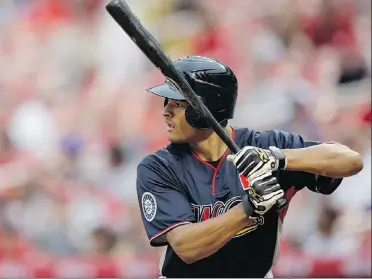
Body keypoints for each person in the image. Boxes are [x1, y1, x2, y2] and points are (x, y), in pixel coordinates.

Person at [135, 56, 363, 278]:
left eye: (177, 104)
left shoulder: (264, 145)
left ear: (207, 107)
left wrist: (276, 158)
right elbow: (187, 248)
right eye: (167, 102)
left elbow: (350, 161)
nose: (166, 111)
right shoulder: (158, 167)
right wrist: (249, 207)